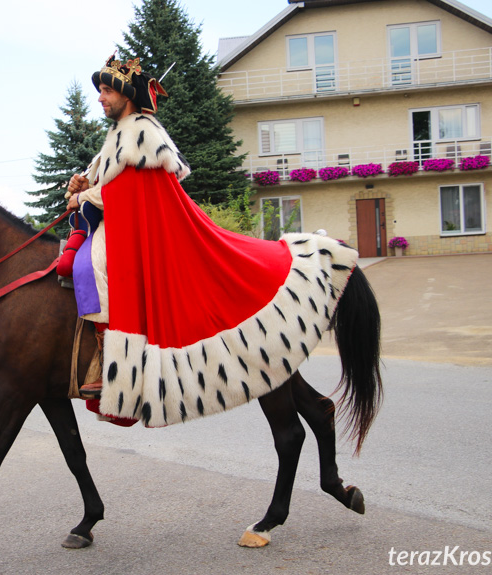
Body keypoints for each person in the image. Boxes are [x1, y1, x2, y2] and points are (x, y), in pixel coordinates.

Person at [64, 54, 359, 427]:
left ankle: (110, 359)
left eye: (107, 90)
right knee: (82, 263)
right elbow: (110, 187)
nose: (101, 98)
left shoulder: (141, 132)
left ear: (127, 95)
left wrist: (84, 198)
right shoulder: (118, 135)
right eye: (101, 91)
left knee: (88, 266)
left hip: (138, 229)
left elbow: (124, 194)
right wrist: (82, 187)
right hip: (123, 223)